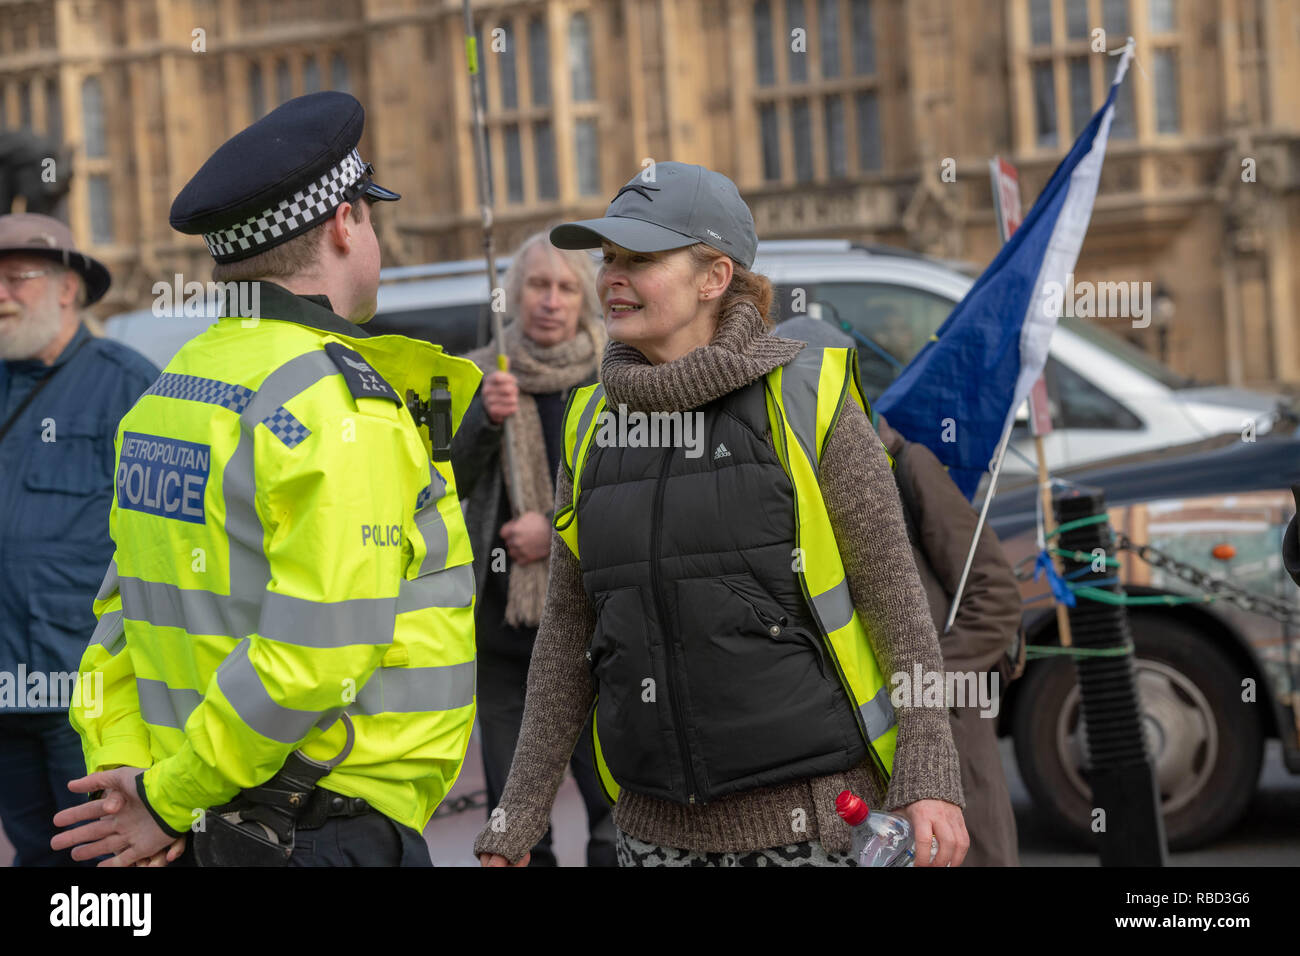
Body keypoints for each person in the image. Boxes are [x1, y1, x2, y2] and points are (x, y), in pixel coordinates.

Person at [473, 162, 969, 867]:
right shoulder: (590, 426)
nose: (611, 275)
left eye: (639, 258)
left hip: (815, 833)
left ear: (715, 277)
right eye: (608, 257)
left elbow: (895, 601)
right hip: (651, 841)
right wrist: (517, 816)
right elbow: (567, 640)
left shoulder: (807, 402)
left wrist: (929, 775)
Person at [49, 91, 482, 867]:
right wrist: (164, 800)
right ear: (346, 224)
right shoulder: (337, 403)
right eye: (370, 216)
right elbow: (314, 654)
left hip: (204, 826)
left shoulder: (170, 391)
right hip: (318, 825)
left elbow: (117, 626)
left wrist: (140, 786)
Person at [776, 316, 1024, 865]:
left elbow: (996, 597)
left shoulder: (907, 464)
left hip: (947, 731)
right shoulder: (786, 483)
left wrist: (922, 684)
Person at [451, 231, 613, 866]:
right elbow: (447, 484)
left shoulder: (616, 377)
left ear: (585, 298)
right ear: (514, 293)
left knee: (613, 808)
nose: (550, 300)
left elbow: (633, 494)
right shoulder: (484, 374)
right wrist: (484, 422)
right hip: (507, 641)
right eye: (538, 285)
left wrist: (555, 530)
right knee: (516, 825)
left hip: (595, 633)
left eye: (566, 287)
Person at [0, 213, 157, 865]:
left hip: (87, 696)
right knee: (38, 855)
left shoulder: (130, 383)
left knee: (103, 865)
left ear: (68, 289)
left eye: (16, 280)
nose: (0, 296)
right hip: (6, 690)